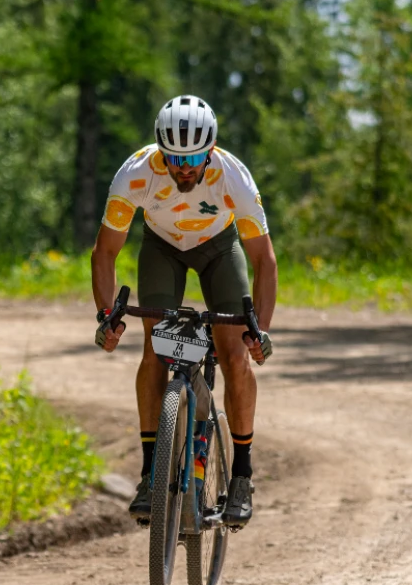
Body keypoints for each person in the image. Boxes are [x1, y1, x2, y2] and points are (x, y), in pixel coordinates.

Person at [90, 95, 277, 527]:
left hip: (219, 248)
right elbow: (105, 253)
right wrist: (107, 316)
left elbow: (264, 260)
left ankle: (243, 477)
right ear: (161, 152)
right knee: (155, 352)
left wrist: (259, 329)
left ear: (210, 151)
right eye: (175, 158)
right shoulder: (136, 174)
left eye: (194, 157)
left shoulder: (234, 177)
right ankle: (149, 474)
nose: (185, 167)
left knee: (233, 356)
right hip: (162, 249)